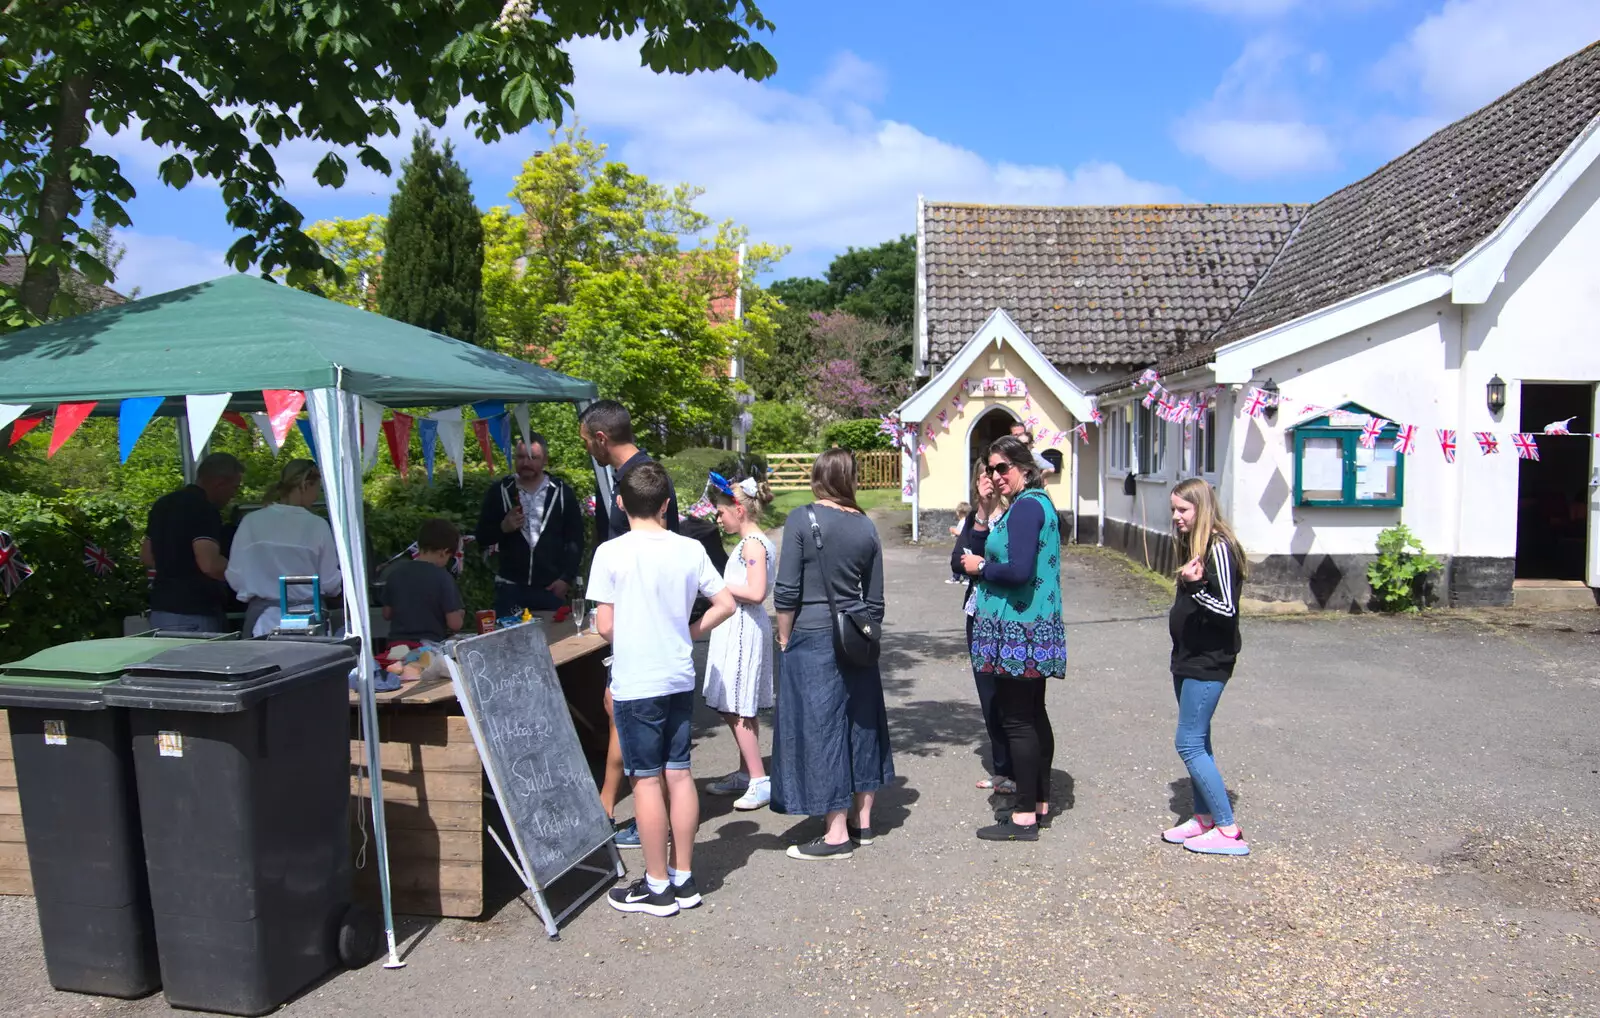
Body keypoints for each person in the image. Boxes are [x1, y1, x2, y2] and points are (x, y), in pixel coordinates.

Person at [588, 462, 735, 917]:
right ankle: (683, 877)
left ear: (620, 503)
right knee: (679, 771)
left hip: (638, 679)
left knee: (646, 779)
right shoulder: (689, 548)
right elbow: (726, 602)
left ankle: (655, 885)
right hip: (676, 674)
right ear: (667, 504)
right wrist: (691, 630)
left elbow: (606, 624)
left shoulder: (610, 553)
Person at [771, 448, 893, 860]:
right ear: (850, 480)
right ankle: (863, 822)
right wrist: (866, 636)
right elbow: (875, 601)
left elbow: (787, 591)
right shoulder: (867, 527)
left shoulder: (801, 519)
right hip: (857, 636)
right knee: (861, 723)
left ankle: (836, 833)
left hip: (813, 634)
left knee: (822, 728)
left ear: (818, 478)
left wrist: (784, 639)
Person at [578, 400, 682, 850]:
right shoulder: (624, 476)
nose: (588, 451)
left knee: (635, 721)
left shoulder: (642, 480)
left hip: (639, 625)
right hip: (633, 622)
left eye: (587, 443)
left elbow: (661, 551)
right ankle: (608, 805)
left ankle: (642, 817)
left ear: (602, 438)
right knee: (615, 710)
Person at [958, 435, 1066, 842]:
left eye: (1003, 467)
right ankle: (1038, 801)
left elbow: (1019, 571)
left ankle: (1023, 816)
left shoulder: (1025, 508)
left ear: (1024, 467)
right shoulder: (1038, 504)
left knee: (1018, 720)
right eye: (990, 469)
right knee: (1033, 715)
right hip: (1033, 625)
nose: (996, 476)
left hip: (1020, 630)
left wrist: (981, 565)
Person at [1163, 477, 1249, 856]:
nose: (1176, 517)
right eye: (1173, 510)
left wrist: (1197, 589)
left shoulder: (1219, 548)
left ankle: (1228, 830)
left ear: (1202, 508)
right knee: (1201, 740)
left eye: (1183, 510)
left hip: (1209, 662)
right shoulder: (1195, 544)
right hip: (1187, 658)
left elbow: (1227, 610)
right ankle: (1204, 818)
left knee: (1189, 742)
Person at [701, 472, 778, 811]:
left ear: (739, 510)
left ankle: (760, 779)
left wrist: (717, 586)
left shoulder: (752, 545)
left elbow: (757, 592)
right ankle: (748, 771)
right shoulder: (751, 543)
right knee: (735, 703)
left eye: (721, 512)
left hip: (744, 628)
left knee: (737, 705)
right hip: (739, 626)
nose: (718, 519)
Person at [225, 459, 344, 637]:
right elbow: (329, 582)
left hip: (262, 620)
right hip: (309, 620)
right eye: (317, 488)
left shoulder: (251, 522)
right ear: (306, 485)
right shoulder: (317, 525)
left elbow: (235, 576)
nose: (317, 495)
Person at [952, 457, 1013, 797]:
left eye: (990, 477)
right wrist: (980, 513)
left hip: (1008, 616)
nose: (986, 484)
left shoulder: (1015, 515)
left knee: (1012, 698)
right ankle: (1002, 769)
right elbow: (957, 561)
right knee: (988, 696)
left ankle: (1022, 770)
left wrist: (981, 565)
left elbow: (1009, 565)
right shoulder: (979, 517)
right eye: (980, 479)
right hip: (977, 615)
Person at [473, 435, 584, 617]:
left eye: (533, 458)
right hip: (510, 589)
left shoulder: (562, 493)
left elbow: (575, 540)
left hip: (549, 588)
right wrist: (503, 527)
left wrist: (566, 578)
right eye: (521, 457)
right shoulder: (500, 491)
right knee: (510, 644)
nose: (526, 463)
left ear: (545, 460)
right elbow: (482, 536)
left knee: (554, 643)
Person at [141, 452, 245, 632]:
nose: (233, 495)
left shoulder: (163, 504)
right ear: (219, 483)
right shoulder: (204, 508)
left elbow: (147, 556)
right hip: (195, 612)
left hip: (161, 610)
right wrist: (246, 576)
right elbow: (210, 564)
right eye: (234, 488)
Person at [579, 400, 681, 543]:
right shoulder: (616, 477)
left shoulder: (648, 478)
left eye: (586, 441)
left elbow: (658, 548)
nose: (586, 448)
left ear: (601, 439)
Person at [382, 518, 467, 651]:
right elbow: (454, 624)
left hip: (396, 648)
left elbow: (387, 614)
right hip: (427, 650)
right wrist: (460, 614)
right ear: (443, 552)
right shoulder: (443, 578)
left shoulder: (395, 573)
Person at [946, 501, 971, 584]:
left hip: (964, 545)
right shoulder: (963, 521)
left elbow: (962, 533)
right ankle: (955, 577)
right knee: (957, 559)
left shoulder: (964, 521)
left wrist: (954, 531)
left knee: (962, 559)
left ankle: (966, 577)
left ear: (959, 512)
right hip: (960, 544)